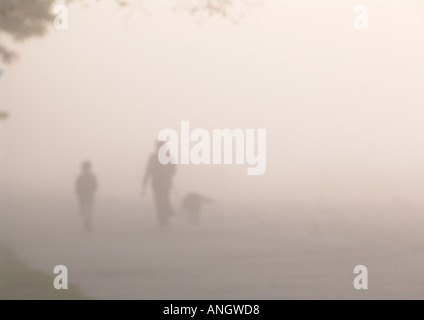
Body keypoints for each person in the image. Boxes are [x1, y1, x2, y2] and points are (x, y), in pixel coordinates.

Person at [142, 141, 176, 227]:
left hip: (159, 182)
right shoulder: (166, 156)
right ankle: (164, 218)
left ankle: (163, 219)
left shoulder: (154, 157)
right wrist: (169, 176)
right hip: (162, 182)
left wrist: (144, 186)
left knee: (160, 201)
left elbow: (148, 171)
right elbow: (173, 169)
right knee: (163, 200)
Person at [75, 161, 98, 232]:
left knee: (86, 209)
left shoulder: (82, 177)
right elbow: (95, 186)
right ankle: (87, 222)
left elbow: (95, 186)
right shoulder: (86, 176)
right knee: (86, 209)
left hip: (85, 196)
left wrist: (80, 192)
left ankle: (87, 222)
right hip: (85, 196)